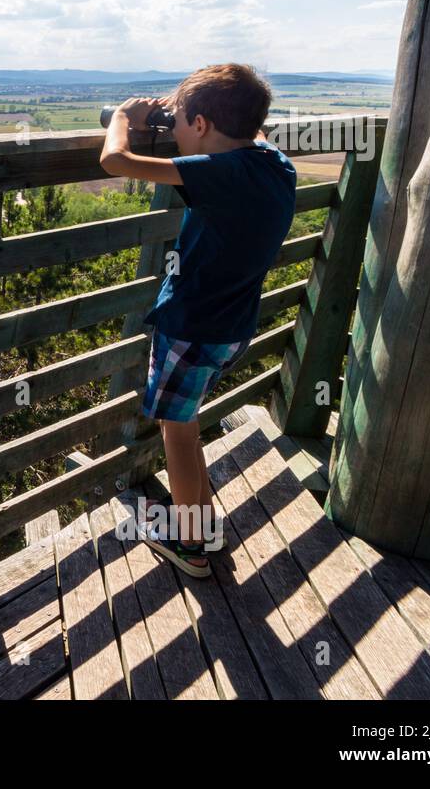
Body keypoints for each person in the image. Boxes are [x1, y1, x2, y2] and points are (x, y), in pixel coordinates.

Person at [98, 63, 296, 577]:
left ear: (204, 125)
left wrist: (123, 115)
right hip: (231, 326)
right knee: (187, 425)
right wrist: (180, 109)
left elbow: (115, 160)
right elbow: (249, 132)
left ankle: (191, 546)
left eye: (185, 121)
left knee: (178, 434)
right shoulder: (274, 163)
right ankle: (200, 523)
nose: (178, 129)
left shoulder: (219, 173)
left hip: (192, 327)